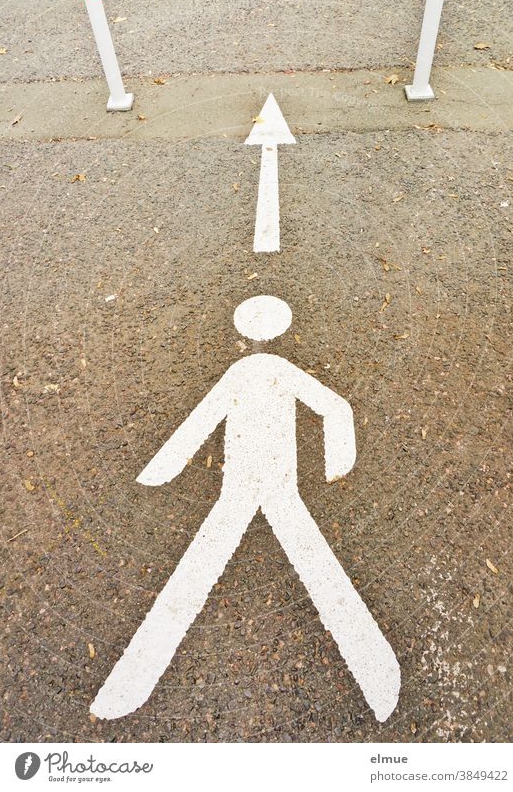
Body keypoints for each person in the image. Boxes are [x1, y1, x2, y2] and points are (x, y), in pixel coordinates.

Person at [91, 296, 400, 721]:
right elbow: (333, 408)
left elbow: (203, 419)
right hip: (260, 486)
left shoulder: (252, 370)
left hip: (259, 486)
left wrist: (163, 467)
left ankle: (129, 682)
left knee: (205, 561)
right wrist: (336, 461)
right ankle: (376, 673)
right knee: (306, 559)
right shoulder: (271, 370)